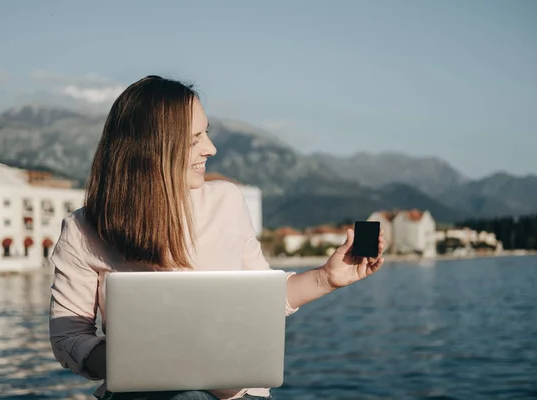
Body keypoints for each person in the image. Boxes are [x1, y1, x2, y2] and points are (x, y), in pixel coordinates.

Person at [49, 75, 386, 400]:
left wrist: (327, 278)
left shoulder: (227, 200)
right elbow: (69, 337)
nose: (210, 148)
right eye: (194, 138)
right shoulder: (82, 229)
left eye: (205, 133)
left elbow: (261, 295)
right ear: (152, 146)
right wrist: (140, 366)